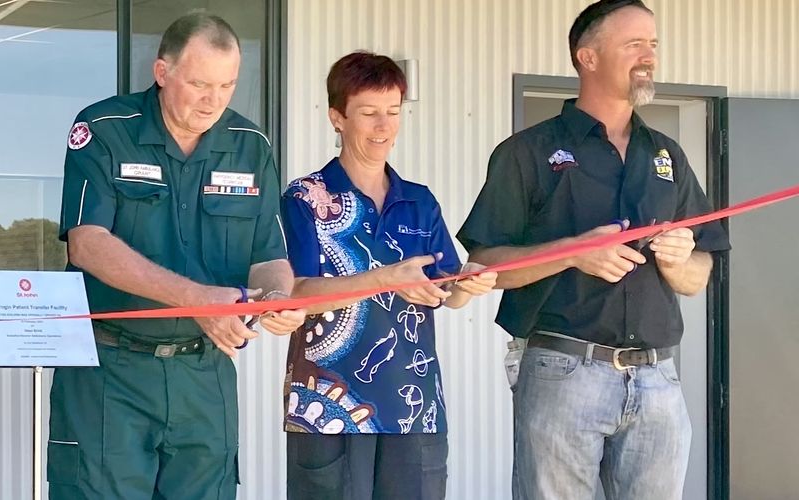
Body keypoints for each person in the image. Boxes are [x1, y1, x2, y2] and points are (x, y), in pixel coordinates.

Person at [456, 1, 730, 498]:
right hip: (563, 372)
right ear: (588, 57)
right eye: (633, 44)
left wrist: (678, 260)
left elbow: (699, 274)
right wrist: (572, 251)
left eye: (653, 44)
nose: (649, 55)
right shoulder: (527, 152)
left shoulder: (668, 154)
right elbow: (485, 267)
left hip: (658, 379)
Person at [48, 12, 304, 500]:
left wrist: (275, 299)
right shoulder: (104, 128)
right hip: (110, 370)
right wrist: (198, 299)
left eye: (228, 84)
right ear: (162, 73)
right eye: (199, 83)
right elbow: (87, 243)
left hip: (204, 374)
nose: (215, 100)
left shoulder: (251, 146)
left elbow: (268, 255)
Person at [278, 52, 498, 500]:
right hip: (327, 410)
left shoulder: (419, 200)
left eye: (393, 112)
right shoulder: (305, 197)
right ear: (337, 118)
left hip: (415, 408)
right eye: (369, 113)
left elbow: (446, 290)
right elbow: (299, 293)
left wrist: (468, 282)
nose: (384, 127)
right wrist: (385, 278)